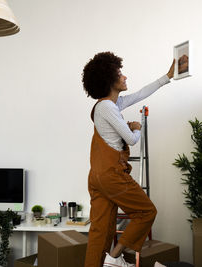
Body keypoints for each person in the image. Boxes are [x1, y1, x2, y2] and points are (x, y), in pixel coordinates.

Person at [82, 51, 175, 267]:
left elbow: (141, 93)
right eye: (120, 73)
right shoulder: (108, 108)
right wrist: (137, 128)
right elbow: (131, 140)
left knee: (100, 232)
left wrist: (167, 76)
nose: (124, 77)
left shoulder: (106, 105)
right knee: (146, 211)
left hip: (97, 176)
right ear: (109, 80)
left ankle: (103, 261)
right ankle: (114, 258)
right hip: (111, 176)